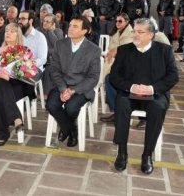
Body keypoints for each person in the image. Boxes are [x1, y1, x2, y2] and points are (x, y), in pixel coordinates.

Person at [110, 18, 179, 174]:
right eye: (134, 31)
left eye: (140, 32)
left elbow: (173, 76)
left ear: (151, 35)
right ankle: (122, 153)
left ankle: (147, 154)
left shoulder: (164, 51)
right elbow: (114, 76)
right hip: (129, 93)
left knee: (157, 108)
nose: (135, 35)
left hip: (155, 95)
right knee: (121, 105)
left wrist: (152, 89)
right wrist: (132, 87)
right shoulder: (124, 50)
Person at [46, 16, 101, 147]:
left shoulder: (93, 50)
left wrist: (72, 91)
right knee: (51, 104)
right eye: (70, 25)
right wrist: (63, 88)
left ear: (85, 31)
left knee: (71, 107)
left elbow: (93, 77)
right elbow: (54, 69)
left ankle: (66, 128)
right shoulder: (60, 44)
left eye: (75, 26)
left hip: (81, 88)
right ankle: (71, 130)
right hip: (62, 85)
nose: (70, 28)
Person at [99, 13, 133, 123]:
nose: (117, 23)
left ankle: (119, 112)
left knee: (110, 79)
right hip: (115, 63)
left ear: (127, 22)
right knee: (109, 79)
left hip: (126, 66)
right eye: (116, 21)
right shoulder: (118, 32)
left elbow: (126, 49)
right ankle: (116, 111)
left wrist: (114, 51)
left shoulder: (130, 33)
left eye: (120, 21)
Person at [39, 14, 64, 95]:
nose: (45, 23)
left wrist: (50, 31)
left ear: (53, 24)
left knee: (50, 69)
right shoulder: (39, 31)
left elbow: (58, 47)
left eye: (48, 22)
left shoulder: (58, 31)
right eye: (44, 21)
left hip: (51, 61)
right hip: (41, 59)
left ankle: (49, 95)